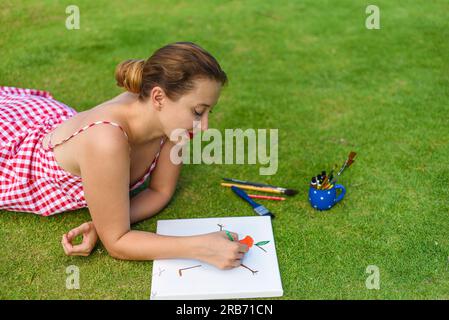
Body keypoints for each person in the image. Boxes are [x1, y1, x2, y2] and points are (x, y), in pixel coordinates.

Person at [0, 42, 248, 269]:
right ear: (158, 97)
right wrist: (200, 247)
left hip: (60, 125)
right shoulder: (106, 141)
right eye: (198, 111)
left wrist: (103, 223)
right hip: (18, 159)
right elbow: (118, 243)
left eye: (208, 112)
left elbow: (159, 191)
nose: (204, 126)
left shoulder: (173, 125)